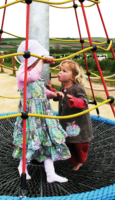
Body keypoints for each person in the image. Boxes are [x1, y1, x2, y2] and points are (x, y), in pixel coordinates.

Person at [12, 40, 70, 183]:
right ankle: (22, 167)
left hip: (43, 113)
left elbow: (42, 90)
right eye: (38, 57)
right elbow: (33, 76)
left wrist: (53, 94)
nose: (39, 61)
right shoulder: (22, 73)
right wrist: (42, 60)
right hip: (31, 114)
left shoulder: (35, 74)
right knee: (31, 141)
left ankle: (50, 174)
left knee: (48, 140)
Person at [54, 60, 93, 171]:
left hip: (79, 123)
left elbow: (84, 102)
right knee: (70, 142)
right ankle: (73, 159)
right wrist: (53, 92)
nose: (60, 73)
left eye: (64, 71)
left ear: (73, 76)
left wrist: (75, 101)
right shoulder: (63, 87)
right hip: (67, 122)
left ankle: (80, 161)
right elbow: (59, 98)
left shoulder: (77, 88)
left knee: (79, 143)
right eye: (60, 70)